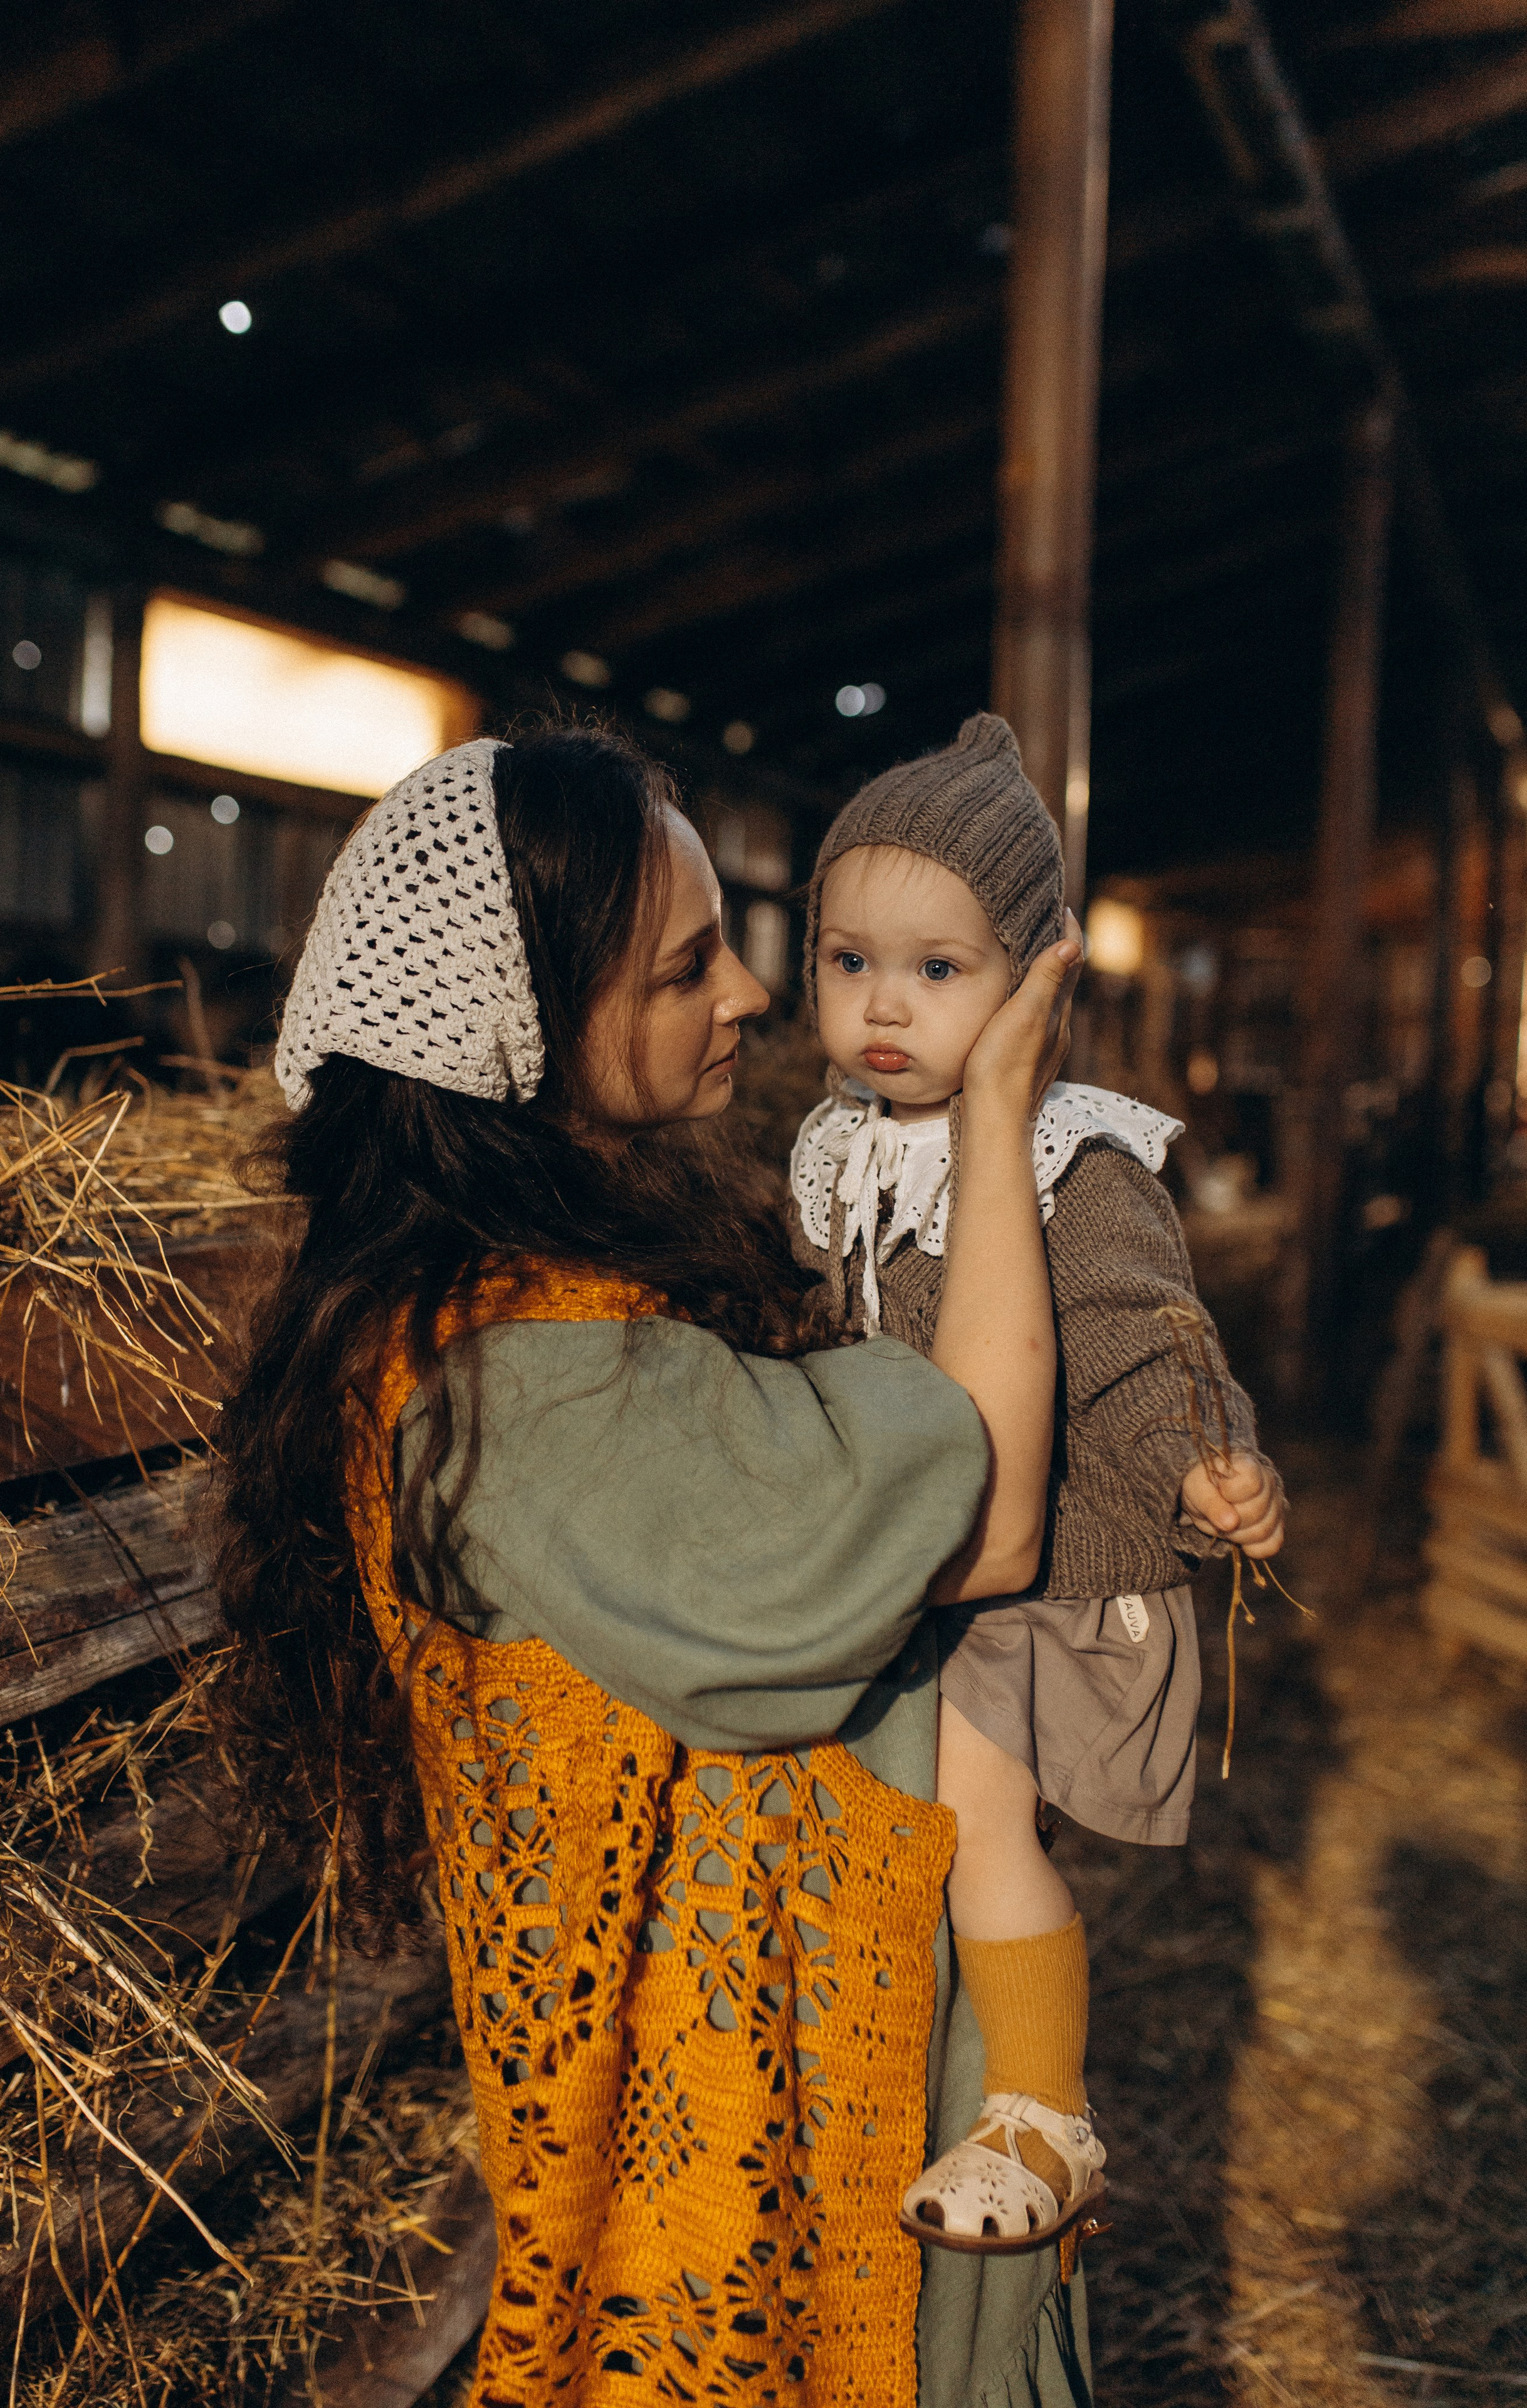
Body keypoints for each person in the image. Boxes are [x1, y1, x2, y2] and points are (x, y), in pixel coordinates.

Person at [213, 723, 1093, 2407]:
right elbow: (985, 1512)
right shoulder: (526, 1381)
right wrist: (996, 1111)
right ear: (526, 1034)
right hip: (776, 2110)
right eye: (685, 967)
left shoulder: (559, 1283)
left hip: (825, 2041)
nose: (752, 991)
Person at [790, 712, 1286, 2255]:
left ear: (1028, 984)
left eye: (937, 969)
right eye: (848, 960)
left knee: (979, 1812)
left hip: (1039, 1568)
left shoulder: (1076, 1158)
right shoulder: (831, 1150)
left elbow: (1139, 1336)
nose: (883, 1004)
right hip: (902, 1559)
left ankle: (1039, 2111)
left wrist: (1203, 1457)